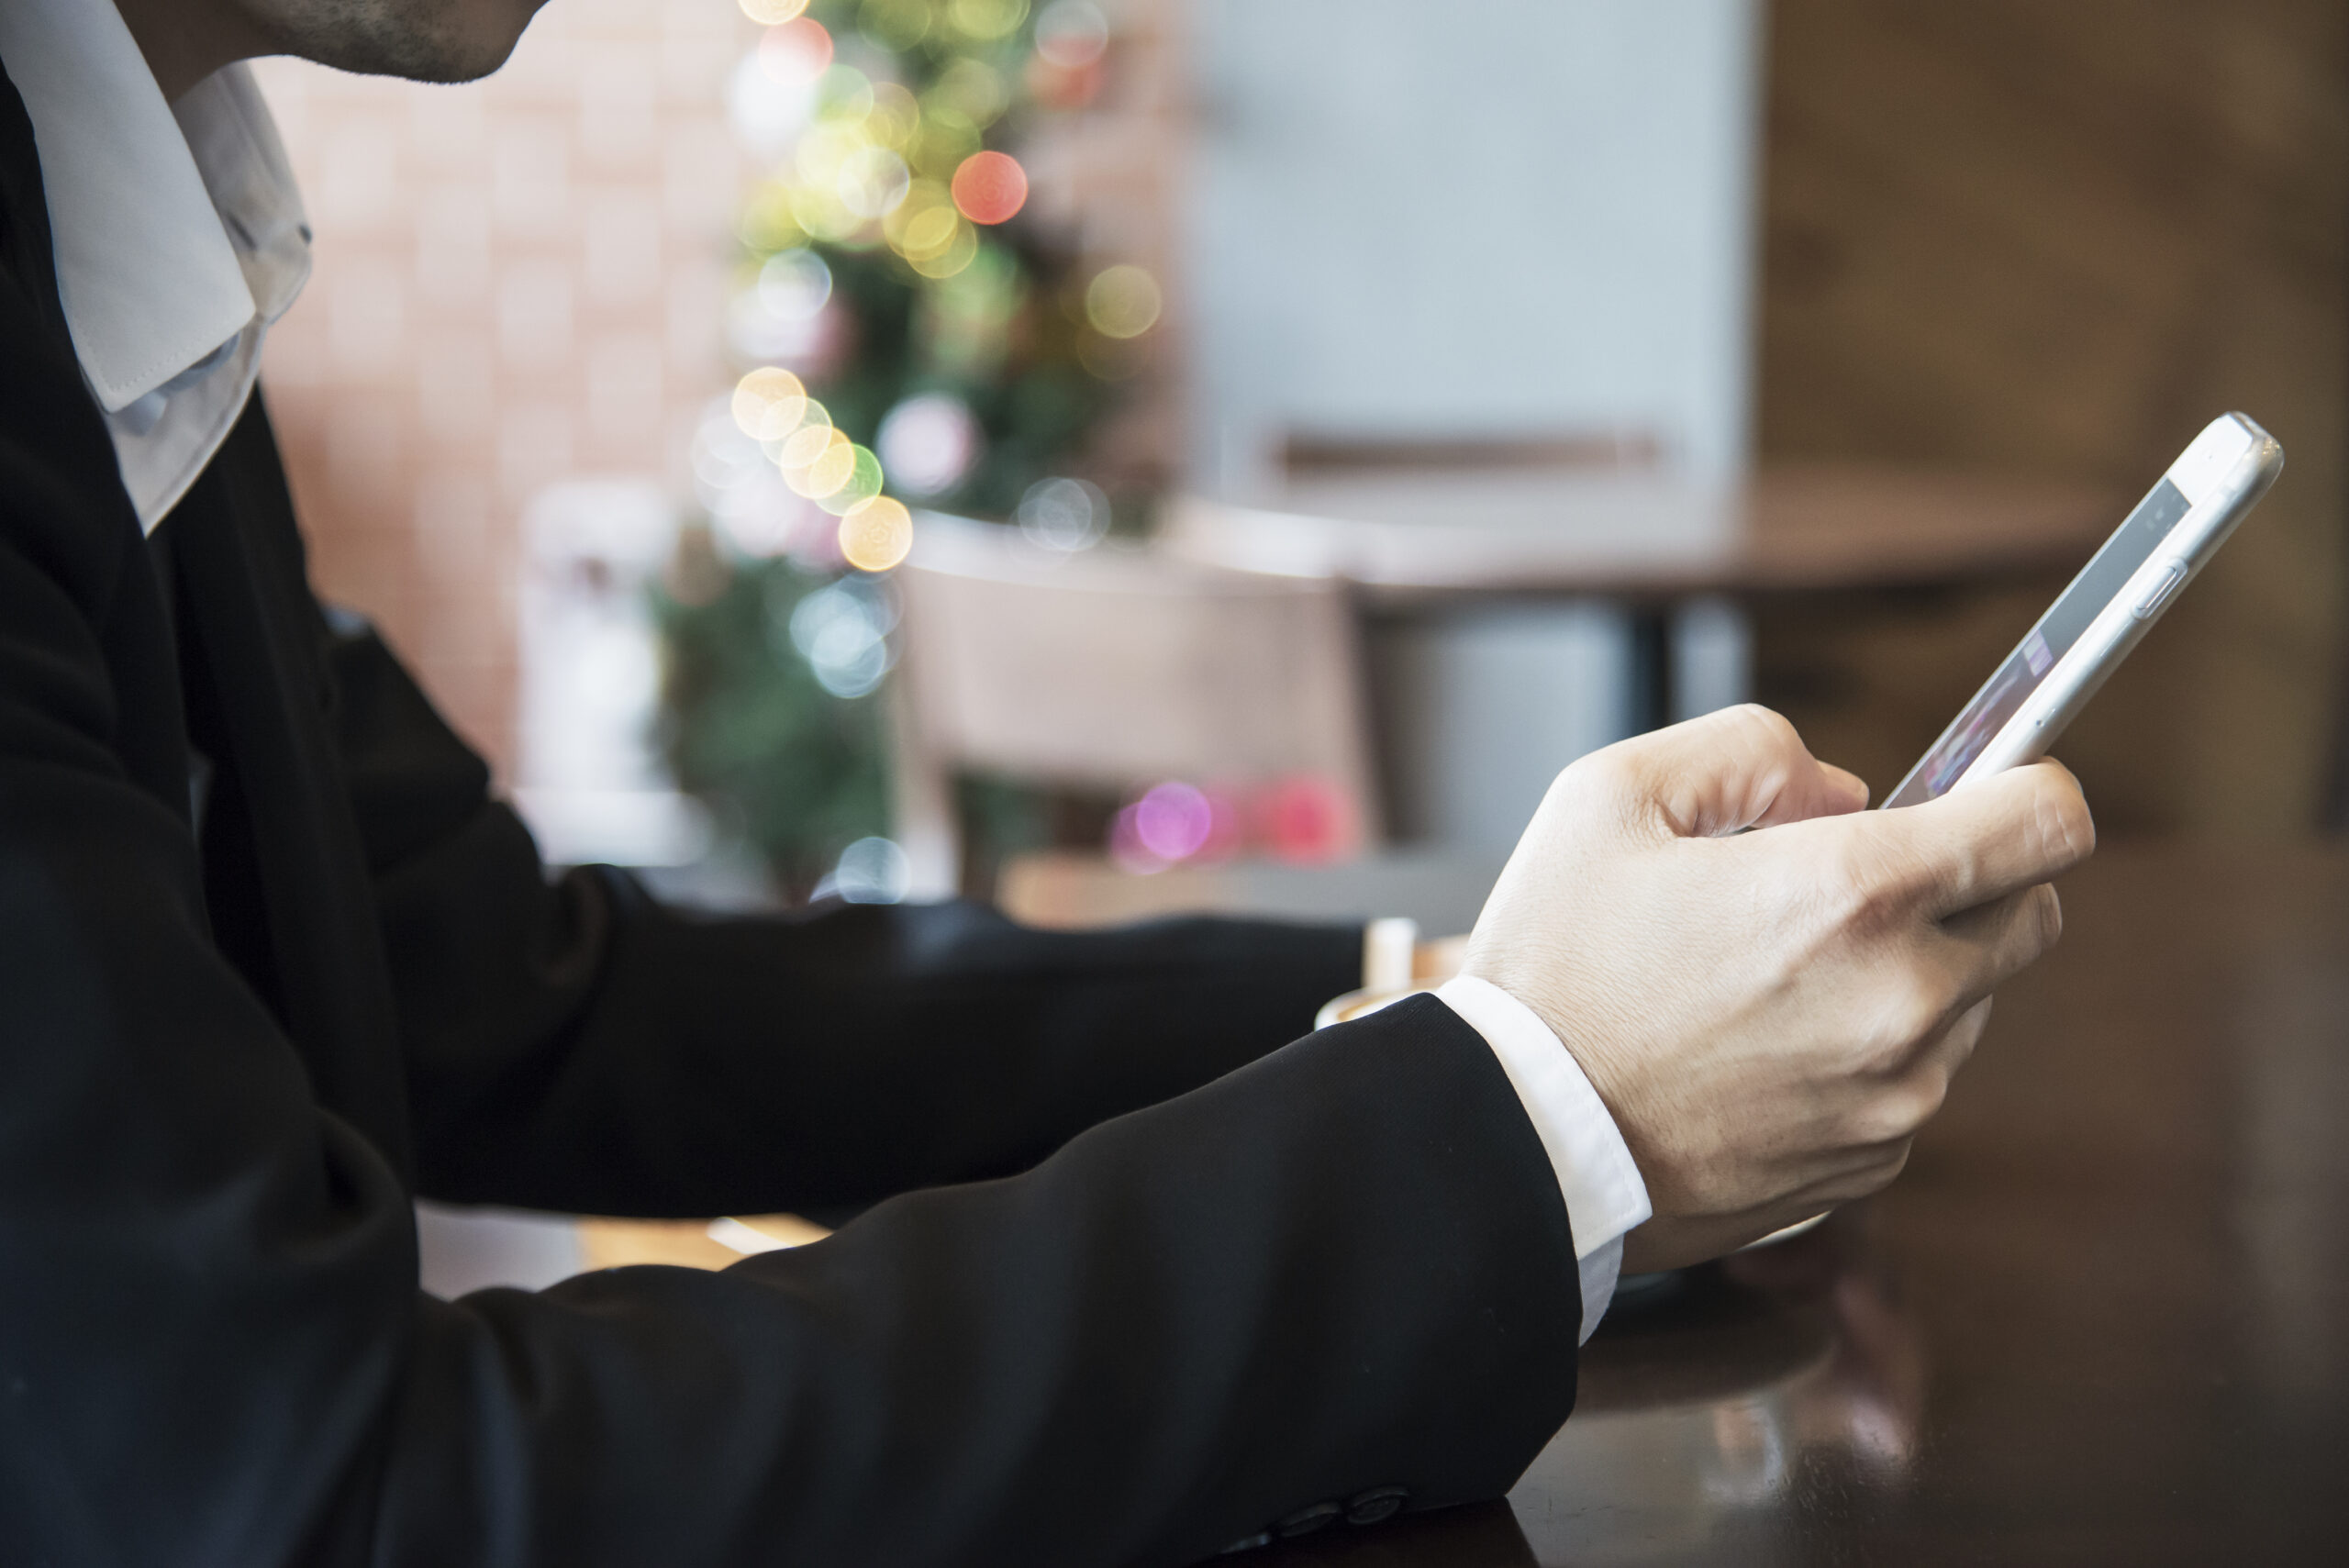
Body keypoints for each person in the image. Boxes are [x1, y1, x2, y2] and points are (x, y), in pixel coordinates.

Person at [0, 2, 2094, 1564]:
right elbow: (331, 1497)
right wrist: (1537, 1120)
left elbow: (523, 994)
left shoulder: (132, 249)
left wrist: (1461, 996)